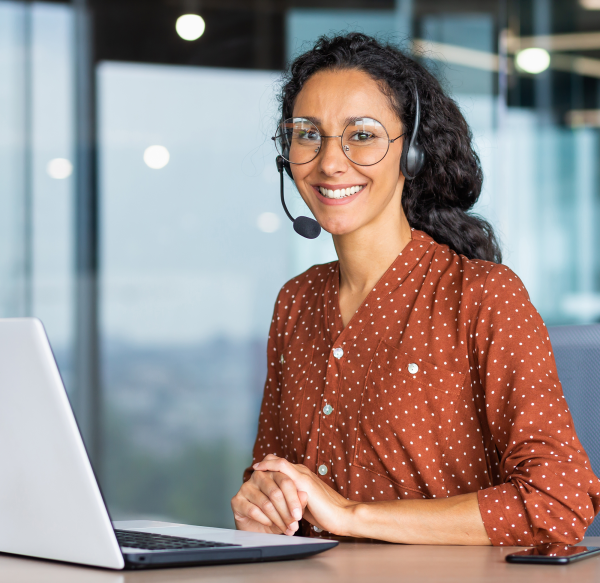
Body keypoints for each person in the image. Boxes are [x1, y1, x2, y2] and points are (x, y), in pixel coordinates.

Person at [231, 32, 600, 545]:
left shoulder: (484, 296)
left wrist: (352, 516)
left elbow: (559, 501)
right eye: (307, 134)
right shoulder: (296, 301)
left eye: (362, 135)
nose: (330, 163)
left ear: (413, 152)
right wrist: (263, 503)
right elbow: (275, 478)